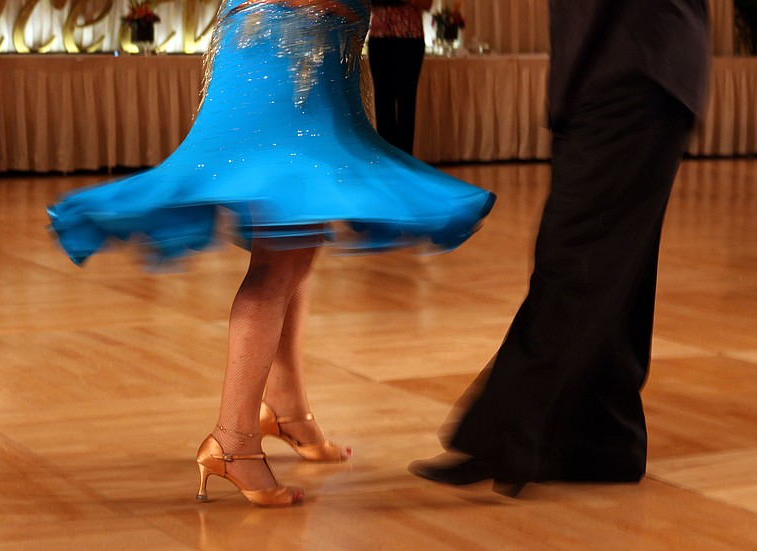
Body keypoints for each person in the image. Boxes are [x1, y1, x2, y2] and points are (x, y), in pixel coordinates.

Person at [46, 0, 494, 507]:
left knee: (296, 232)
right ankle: (233, 440)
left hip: (310, 41)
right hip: (289, 38)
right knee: (283, 253)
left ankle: (285, 407)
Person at [409, 0, 710, 496]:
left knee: (574, 257)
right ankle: (603, 443)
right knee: (615, 270)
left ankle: (501, 435)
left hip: (639, 70)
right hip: (608, 76)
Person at [368, 0, 432, 154]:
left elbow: (427, 4)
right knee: (383, 101)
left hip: (409, 37)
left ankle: (405, 159)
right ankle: (387, 159)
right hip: (380, 37)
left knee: (406, 101)